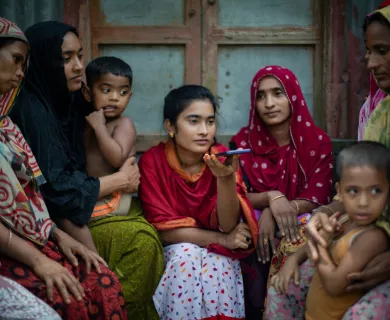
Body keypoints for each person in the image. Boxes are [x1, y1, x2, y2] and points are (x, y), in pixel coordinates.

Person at [9, 21, 164, 319]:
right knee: (138, 242)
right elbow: (56, 189)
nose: (80, 67)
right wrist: (118, 179)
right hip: (51, 220)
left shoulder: (64, 100)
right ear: (42, 62)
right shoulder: (33, 111)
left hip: (79, 209)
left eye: (80, 55)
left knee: (141, 237)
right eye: (66, 59)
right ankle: (114, 303)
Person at [264, 3, 390, 319]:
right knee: (286, 282)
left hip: (373, 242)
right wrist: (322, 213)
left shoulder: (315, 141)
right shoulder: (378, 116)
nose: (371, 63)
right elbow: (360, 183)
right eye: (369, 52)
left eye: (383, 51)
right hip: (359, 229)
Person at [138, 85, 259, 320]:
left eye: (210, 121)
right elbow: (162, 230)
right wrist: (221, 239)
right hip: (177, 249)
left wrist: (224, 180)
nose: (204, 131)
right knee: (186, 254)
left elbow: (228, 224)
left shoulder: (222, 156)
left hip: (215, 249)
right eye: (194, 121)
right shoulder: (153, 161)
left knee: (221, 260)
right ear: (170, 127)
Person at [230, 65, 333, 315]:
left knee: (303, 234)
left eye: (278, 93)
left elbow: (318, 196)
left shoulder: (317, 142)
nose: (269, 103)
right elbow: (235, 194)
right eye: (261, 96)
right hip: (255, 223)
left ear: (293, 96)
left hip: (301, 221)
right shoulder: (242, 143)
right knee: (246, 236)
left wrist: (277, 210)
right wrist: (270, 199)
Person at [272, 141, 389, 319]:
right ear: (339, 192)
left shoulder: (373, 238)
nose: (363, 202)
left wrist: (319, 247)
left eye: (375, 191)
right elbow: (315, 246)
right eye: (353, 191)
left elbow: (334, 285)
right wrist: (293, 260)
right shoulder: (344, 219)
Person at [83, 56, 136, 221]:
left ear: (130, 96)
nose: (115, 97)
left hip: (115, 198)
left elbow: (117, 159)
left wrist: (99, 128)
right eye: (106, 90)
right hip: (94, 193)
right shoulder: (87, 122)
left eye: (123, 92)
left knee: (74, 217)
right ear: (88, 93)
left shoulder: (123, 124)